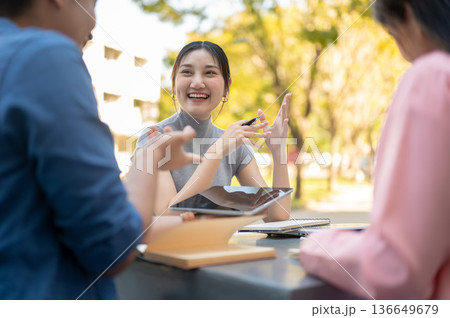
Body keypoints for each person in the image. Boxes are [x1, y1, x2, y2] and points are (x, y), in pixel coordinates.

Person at [0, 0, 199, 299]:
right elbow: (112, 246)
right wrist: (149, 157)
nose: (94, 25)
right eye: (93, 4)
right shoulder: (44, 57)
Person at [299, 0, 450, 300]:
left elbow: (395, 270)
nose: (404, 55)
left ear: (409, 11)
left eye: (394, 35)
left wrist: (317, 244)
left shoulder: (434, 76)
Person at [138, 41, 292, 223]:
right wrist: (216, 152)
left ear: (227, 86)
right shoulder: (154, 137)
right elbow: (171, 217)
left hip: (218, 248)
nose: (197, 82)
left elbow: (276, 217)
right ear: (173, 83)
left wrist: (278, 150)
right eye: (187, 72)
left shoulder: (233, 144)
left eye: (209, 73)